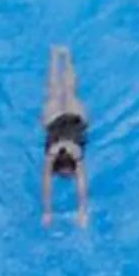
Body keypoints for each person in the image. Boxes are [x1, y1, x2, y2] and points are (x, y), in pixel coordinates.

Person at [42, 45, 90, 227]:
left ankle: (57, 55)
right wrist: (48, 212)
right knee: (65, 91)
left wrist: (81, 211)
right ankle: (64, 55)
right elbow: (47, 184)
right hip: (62, 121)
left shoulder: (68, 156)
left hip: (70, 121)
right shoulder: (70, 156)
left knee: (58, 91)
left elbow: (81, 186)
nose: (70, 177)